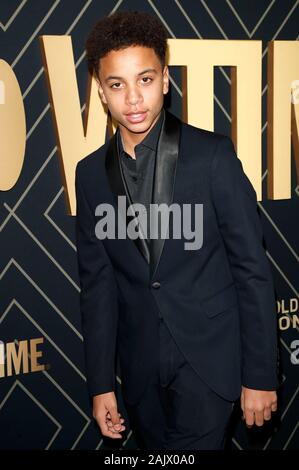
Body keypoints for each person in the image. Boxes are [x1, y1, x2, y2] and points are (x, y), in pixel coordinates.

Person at [75, 10, 279, 450]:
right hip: (140, 369)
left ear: (165, 80)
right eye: (117, 84)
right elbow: (97, 286)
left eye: (145, 79)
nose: (133, 98)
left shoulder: (212, 157)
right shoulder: (90, 175)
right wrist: (99, 384)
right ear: (101, 91)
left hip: (209, 362)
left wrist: (260, 374)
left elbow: (251, 269)